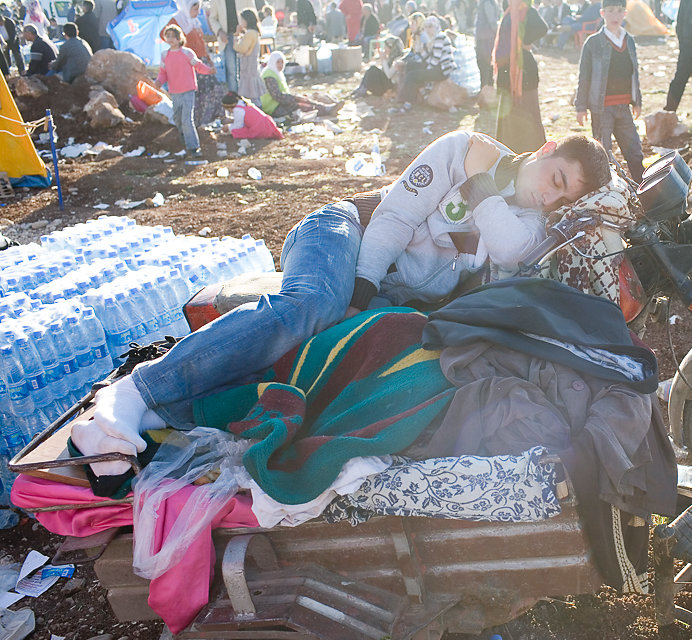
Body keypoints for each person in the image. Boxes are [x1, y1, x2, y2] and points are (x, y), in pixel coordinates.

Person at [69, 132, 612, 480]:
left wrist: (485, 192)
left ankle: (158, 418)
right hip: (349, 237)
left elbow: (512, 253)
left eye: (565, 197)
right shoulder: (465, 148)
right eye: (556, 178)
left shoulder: (522, 219)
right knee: (316, 307)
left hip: (389, 290)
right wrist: (360, 297)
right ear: (542, 152)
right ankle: (133, 391)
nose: (551, 196)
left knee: (328, 363)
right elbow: (394, 221)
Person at [575, 0, 643, 181]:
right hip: (601, 108)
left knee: (634, 152)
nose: (615, 15)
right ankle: (607, 191)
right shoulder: (593, 42)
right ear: (602, 13)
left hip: (624, 106)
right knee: (603, 154)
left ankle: (643, 191)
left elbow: (634, 73)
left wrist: (637, 101)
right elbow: (584, 77)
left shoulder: (629, 41)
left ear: (625, 14)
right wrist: (580, 107)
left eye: (619, 11)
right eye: (611, 11)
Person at [494, 0, 548, 153]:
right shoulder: (508, 11)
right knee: (508, 113)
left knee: (527, 113)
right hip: (506, 71)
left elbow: (542, 28)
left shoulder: (528, 11)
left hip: (525, 72)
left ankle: (530, 152)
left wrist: (524, 41)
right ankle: (509, 151)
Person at [156, 24, 215, 158]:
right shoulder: (165, 55)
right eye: (168, 36)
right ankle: (184, 138)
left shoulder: (187, 53)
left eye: (173, 36)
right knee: (177, 118)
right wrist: (159, 81)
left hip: (188, 90)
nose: (170, 39)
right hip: (175, 91)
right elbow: (163, 73)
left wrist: (208, 70)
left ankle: (194, 147)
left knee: (187, 119)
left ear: (179, 38)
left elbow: (198, 65)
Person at [168, 0, 224, 126]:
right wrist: (179, 50)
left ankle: (212, 118)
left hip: (202, 61)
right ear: (186, 7)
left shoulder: (194, 22)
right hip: (190, 63)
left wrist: (209, 60)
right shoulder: (177, 20)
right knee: (198, 94)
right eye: (195, 9)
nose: (197, 13)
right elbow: (164, 34)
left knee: (214, 89)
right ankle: (198, 121)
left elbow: (201, 43)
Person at [395, 15, 454, 109]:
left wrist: (425, 72)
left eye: (430, 26)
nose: (427, 29)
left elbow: (435, 60)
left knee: (413, 75)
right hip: (435, 67)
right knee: (411, 66)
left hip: (441, 70)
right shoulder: (432, 38)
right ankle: (413, 96)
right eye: (426, 26)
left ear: (436, 26)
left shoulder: (440, 37)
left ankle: (407, 102)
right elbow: (424, 55)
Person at [260, 50, 341, 115]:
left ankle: (326, 107)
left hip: (278, 104)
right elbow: (277, 96)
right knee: (301, 105)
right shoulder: (269, 75)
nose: (280, 65)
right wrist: (295, 98)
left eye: (282, 62)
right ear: (272, 62)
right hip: (273, 108)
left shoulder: (276, 73)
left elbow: (283, 93)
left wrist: (296, 97)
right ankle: (326, 109)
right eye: (278, 62)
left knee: (306, 98)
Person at [208, 0, 258, 95]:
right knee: (232, 72)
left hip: (246, 35)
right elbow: (212, 18)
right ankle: (235, 101)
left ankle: (248, 99)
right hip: (227, 37)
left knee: (246, 70)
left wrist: (250, 29)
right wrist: (219, 31)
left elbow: (253, 12)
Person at [234, 8, 266, 101]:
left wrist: (236, 36)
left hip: (248, 67)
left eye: (242, 20)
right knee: (254, 93)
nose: (241, 23)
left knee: (251, 94)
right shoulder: (254, 33)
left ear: (247, 20)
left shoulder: (250, 33)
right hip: (252, 67)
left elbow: (242, 48)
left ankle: (256, 112)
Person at [474, 0, 499, 88]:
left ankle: (486, 89)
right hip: (486, 38)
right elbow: (492, 21)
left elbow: (491, 21)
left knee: (485, 65)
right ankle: (487, 89)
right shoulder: (488, 2)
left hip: (484, 38)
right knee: (486, 65)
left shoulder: (486, 2)